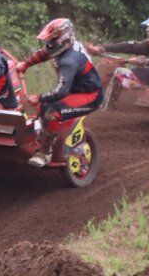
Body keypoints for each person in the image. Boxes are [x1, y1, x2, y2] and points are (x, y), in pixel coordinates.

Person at [18, 19, 107, 167]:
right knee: (42, 107)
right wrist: (25, 64)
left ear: (64, 37)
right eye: (49, 40)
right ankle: (43, 136)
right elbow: (44, 53)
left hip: (90, 95)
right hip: (75, 89)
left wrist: (38, 97)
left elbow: (61, 91)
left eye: (53, 39)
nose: (50, 43)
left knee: (52, 113)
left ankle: (45, 153)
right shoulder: (63, 46)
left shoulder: (70, 60)